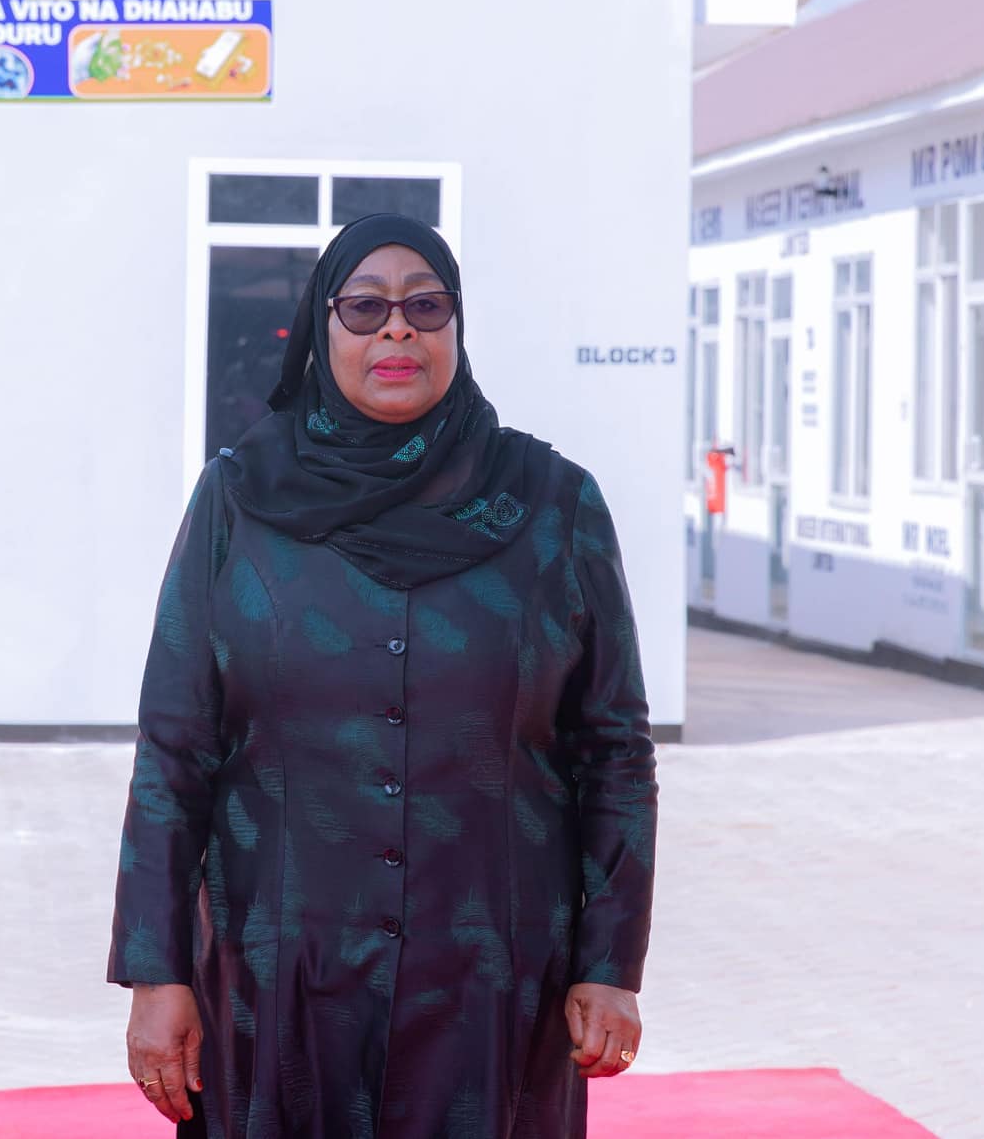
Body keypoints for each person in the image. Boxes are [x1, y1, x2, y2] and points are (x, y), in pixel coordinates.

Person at [108, 214, 657, 1137]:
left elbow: (614, 753)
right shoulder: (240, 499)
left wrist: (610, 964)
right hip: (278, 978)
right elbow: (175, 749)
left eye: (424, 305)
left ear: (456, 328)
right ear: (322, 330)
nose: (396, 329)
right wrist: (158, 973)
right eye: (364, 307)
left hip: (495, 981)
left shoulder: (554, 505)